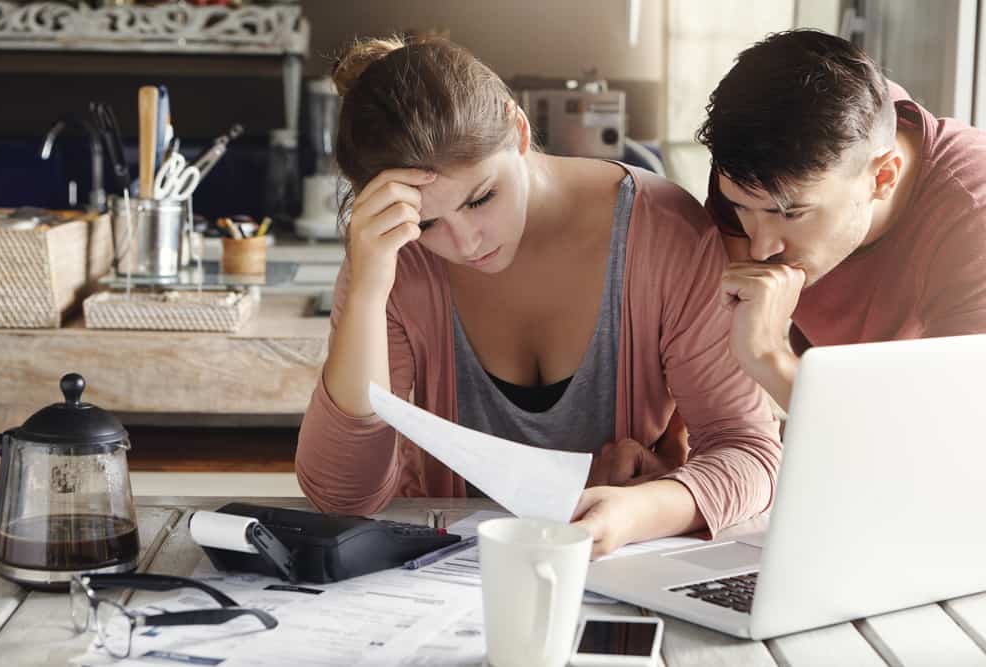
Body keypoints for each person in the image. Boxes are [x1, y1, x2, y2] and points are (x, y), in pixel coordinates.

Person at [295, 35, 781, 557]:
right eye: (429, 221)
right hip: (440, 579)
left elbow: (748, 451)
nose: (465, 242)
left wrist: (641, 511)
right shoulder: (395, 254)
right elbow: (342, 495)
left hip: (616, 566)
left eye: (481, 198)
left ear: (519, 130)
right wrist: (368, 290)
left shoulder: (664, 233)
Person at [697, 29, 986, 411]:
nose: (761, 248)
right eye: (740, 209)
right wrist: (673, 447)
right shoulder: (758, 169)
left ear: (882, 177)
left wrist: (769, 356)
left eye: (791, 214)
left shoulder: (971, 221)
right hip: (831, 399)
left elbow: (947, 437)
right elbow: (703, 333)